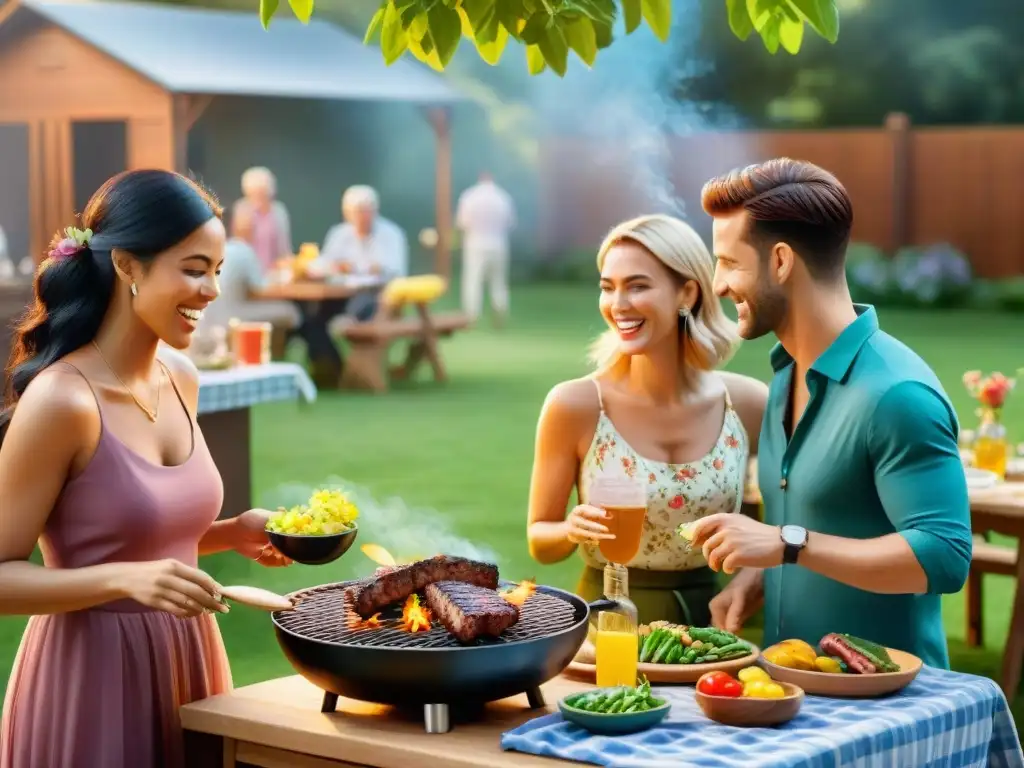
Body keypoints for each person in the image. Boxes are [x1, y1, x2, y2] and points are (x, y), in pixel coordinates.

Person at [0, 169, 291, 768]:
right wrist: (121, 581)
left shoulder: (181, 379)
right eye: (193, 268)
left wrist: (234, 532)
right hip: (90, 679)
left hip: (191, 661)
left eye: (216, 269)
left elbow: (139, 538)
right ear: (128, 266)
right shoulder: (63, 401)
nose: (212, 290)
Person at [691, 158, 971, 669]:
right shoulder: (785, 376)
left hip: (888, 707)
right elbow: (815, 527)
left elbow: (944, 556)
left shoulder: (897, 395)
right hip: (799, 693)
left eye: (729, 262)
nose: (718, 284)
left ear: (780, 261)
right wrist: (761, 574)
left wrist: (787, 545)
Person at [526, 214, 767, 627]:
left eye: (637, 286)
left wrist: (752, 580)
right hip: (607, 625)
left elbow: (771, 531)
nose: (618, 305)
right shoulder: (574, 405)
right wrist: (570, 528)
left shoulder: (747, 403)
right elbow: (540, 540)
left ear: (687, 293)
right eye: (608, 287)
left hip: (716, 629)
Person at [197, 205, 301, 331]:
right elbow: (260, 289)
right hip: (232, 317)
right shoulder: (244, 250)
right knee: (290, 311)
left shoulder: (221, 248)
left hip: (209, 318)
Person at [316, 185, 408, 322]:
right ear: (347, 214)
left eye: (366, 211)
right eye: (357, 212)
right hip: (339, 293)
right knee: (314, 315)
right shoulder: (339, 234)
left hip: (377, 297)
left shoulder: (391, 234)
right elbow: (324, 264)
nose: (363, 217)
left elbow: (395, 270)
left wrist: (357, 268)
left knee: (359, 307)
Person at [455, 171, 516, 326]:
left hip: (476, 242)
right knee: (498, 280)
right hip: (498, 243)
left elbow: (462, 223)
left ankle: (472, 314)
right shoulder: (503, 197)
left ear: (480, 178)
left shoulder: (469, 196)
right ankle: (500, 308)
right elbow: (510, 223)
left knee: (473, 279)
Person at [231, 166, 293, 271]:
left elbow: (285, 250)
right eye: (253, 194)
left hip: (275, 273)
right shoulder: (242, 209)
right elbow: (238, 246)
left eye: (262, 193)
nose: (258, 198)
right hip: (248, 272)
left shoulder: (279, 211)